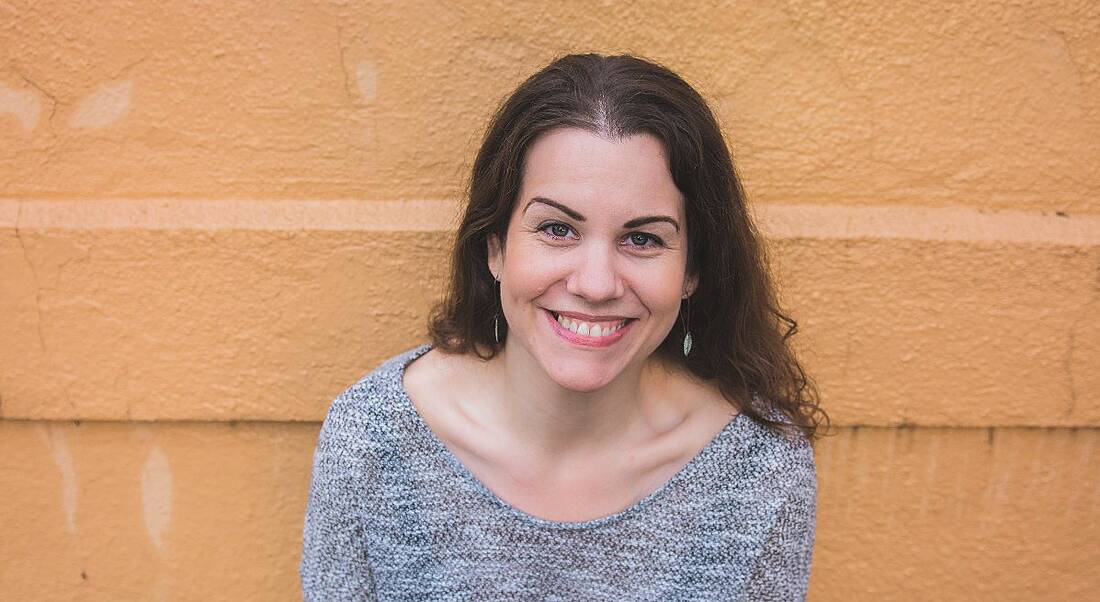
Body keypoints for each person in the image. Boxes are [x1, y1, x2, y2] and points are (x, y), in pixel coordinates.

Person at [300, 53, 829, 601]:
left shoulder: (760, 468)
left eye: (642, 238)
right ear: (496, 247)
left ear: (692, 270)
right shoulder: (371, 443)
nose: (597, 284)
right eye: (557, 228)